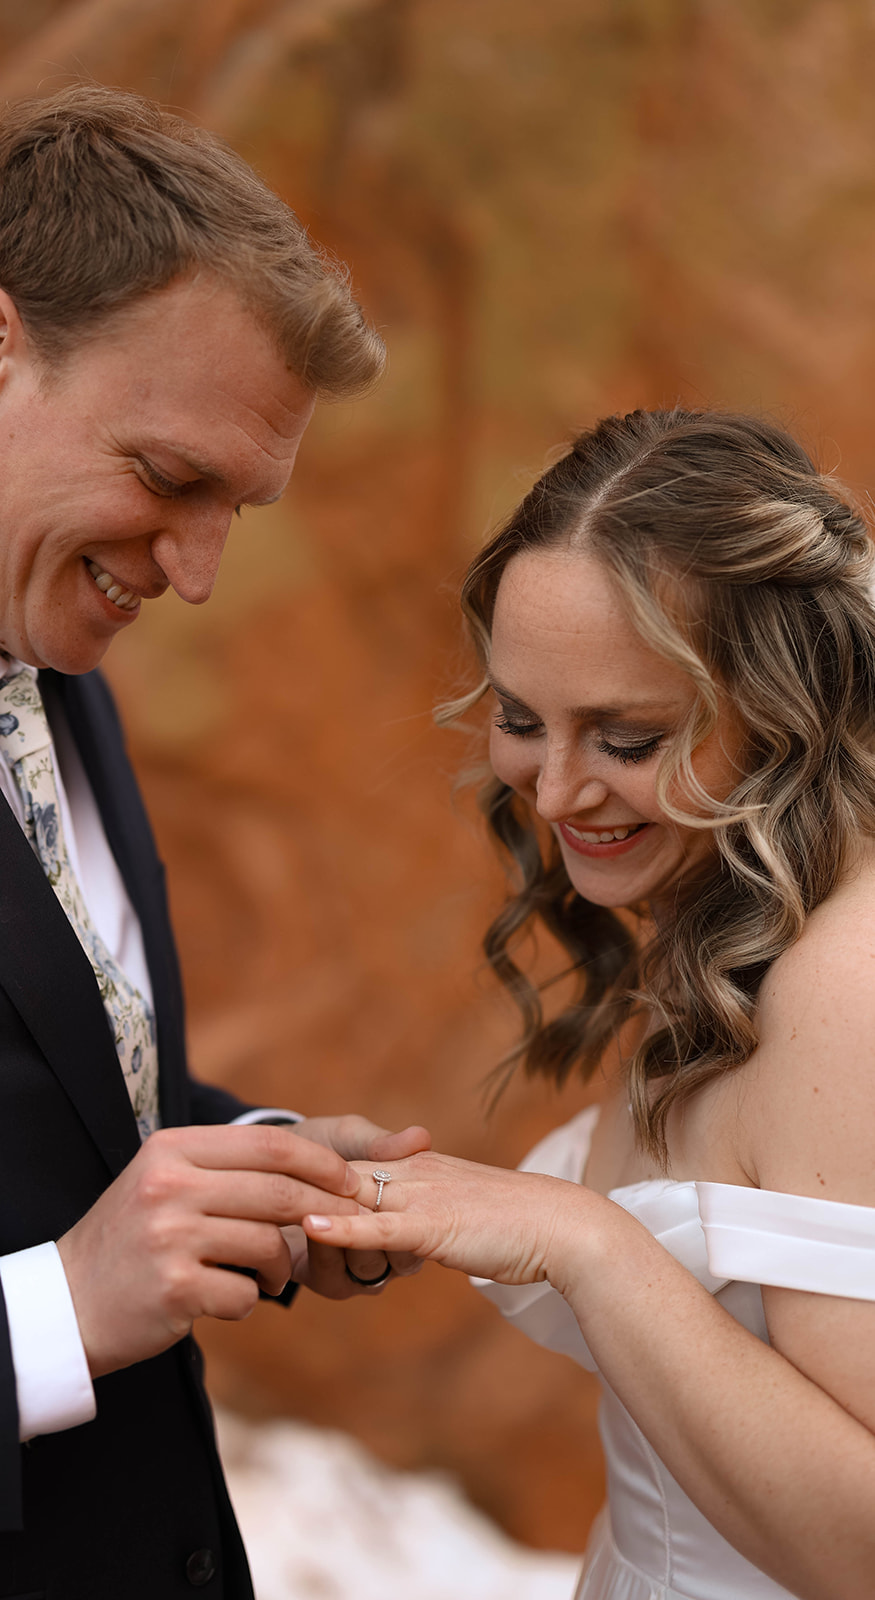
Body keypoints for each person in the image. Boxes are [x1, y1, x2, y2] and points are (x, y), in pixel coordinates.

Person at [0, 85, 427, 1599]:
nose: (197, 572)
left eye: (239, 507)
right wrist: (58, 1310)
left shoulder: (43, 655)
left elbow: (51, 1098)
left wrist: (257, 1165)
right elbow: (57, 1260)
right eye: (169, 479)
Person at [305, 409, 875, 1600]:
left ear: (783, 708)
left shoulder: (841, 986)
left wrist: (585, 1244)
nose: (555, 791)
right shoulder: (725, 924)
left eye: (624, 736)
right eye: (519, 719)